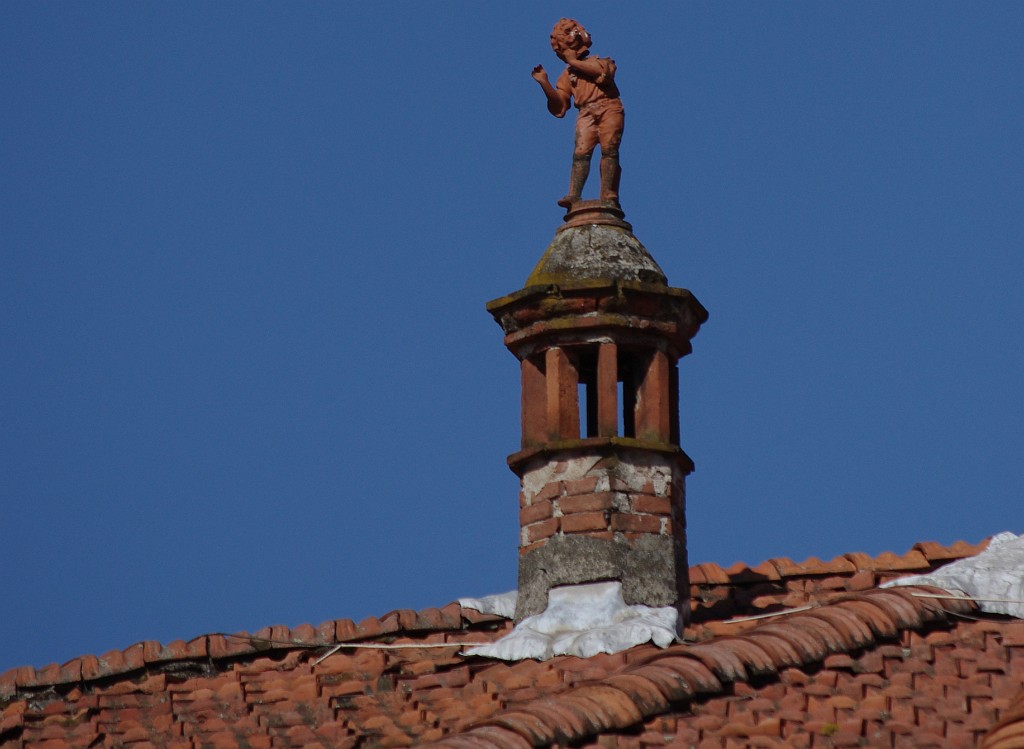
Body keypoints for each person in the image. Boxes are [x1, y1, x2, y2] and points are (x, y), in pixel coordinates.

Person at [531, 19, 625, 209]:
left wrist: (573, 61)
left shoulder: (601, 61)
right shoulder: (567, 75)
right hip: (586, 113)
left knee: (609, 150)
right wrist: (544, 83)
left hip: (608, 107)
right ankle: (574, 195)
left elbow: (602, 74)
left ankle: (609, 195)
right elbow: (560, 106)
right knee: (581, 153)